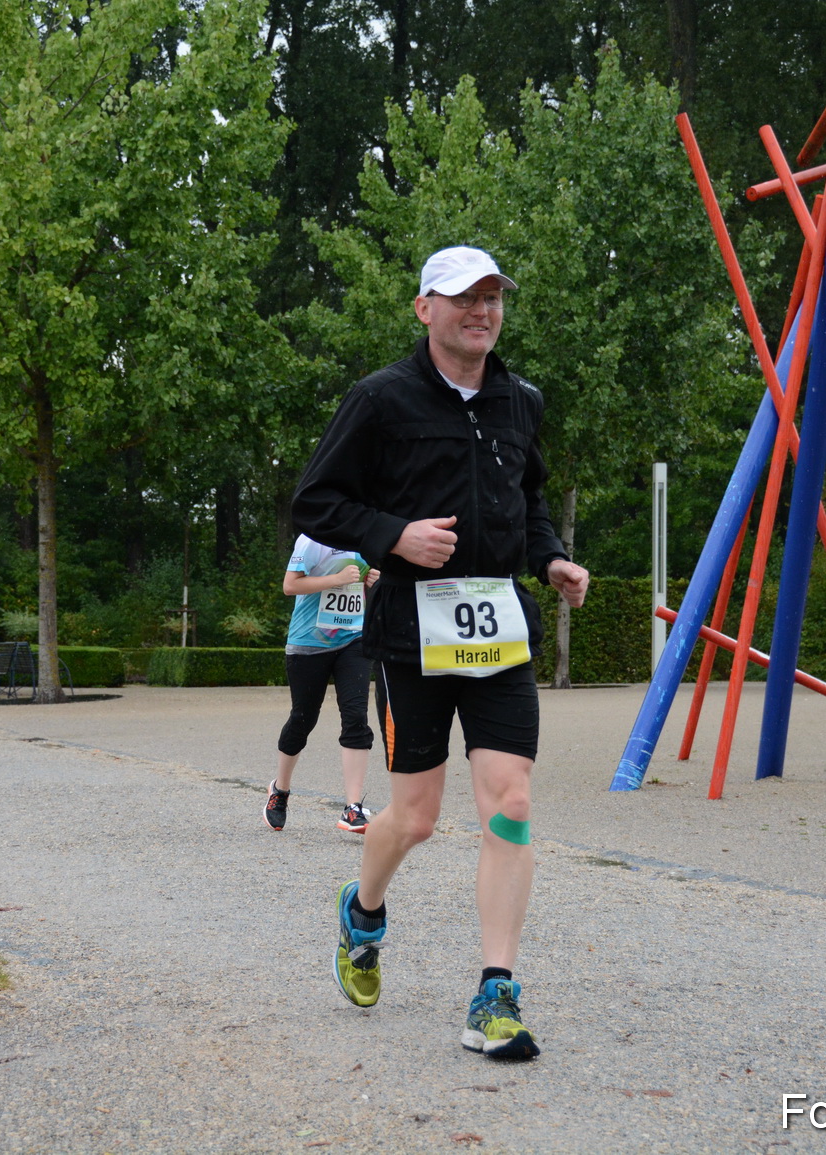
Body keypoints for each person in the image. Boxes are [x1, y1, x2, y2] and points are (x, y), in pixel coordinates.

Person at [292, 245, 590, 1062]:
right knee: (416, 817)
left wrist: (550, 558)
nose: (481, 312)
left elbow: (526, 499)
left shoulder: (521, 401)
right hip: (410, 636)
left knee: (511, 800)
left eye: (493, 298)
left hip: (499, 631)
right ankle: (362, 911)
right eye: (464, 298)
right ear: (425, 308)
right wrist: (393, 535)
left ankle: (496, 991)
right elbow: (316, 500)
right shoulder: (379, 399)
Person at [265, 537, 381, 834]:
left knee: (356, 716)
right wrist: (337, 578)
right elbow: (290, 585)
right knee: (303, 718)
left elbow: (368, 584)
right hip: (309, 642)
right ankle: (280, 790)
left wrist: (374, 580)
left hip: (354, 639)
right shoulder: (313, 539)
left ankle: (353, 808)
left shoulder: (367, 537)